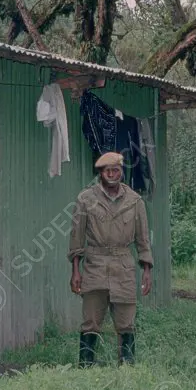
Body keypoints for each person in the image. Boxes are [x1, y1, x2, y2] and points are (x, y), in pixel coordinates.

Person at [67, 151, 153, 366]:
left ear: (121, 172)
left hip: (123, 267)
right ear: (101, 173)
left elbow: (143, 240)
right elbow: (76, 238)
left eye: (116, 170)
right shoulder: (86, 199)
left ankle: (127, 369)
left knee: (126, 323)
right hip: (95, 266)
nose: (112, 174)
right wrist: (75, 271)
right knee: (90, 322)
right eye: (108, 171)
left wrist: (147, 270)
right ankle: (85, 368)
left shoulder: (135, 201)